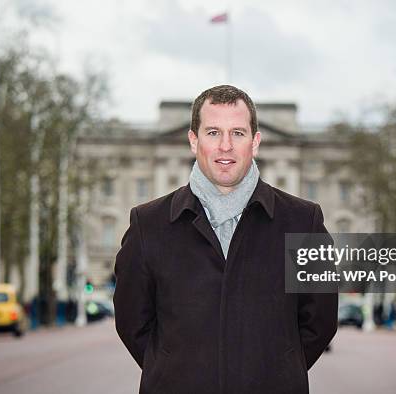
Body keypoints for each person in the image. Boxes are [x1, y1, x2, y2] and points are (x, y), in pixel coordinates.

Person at [113, 85, 338, 394]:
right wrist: (172, 368)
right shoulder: (147, 224)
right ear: (193, 140)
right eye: (213, 132)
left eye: (238, 133)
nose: (226, 146)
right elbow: (131, 321)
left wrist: (277, 369)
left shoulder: (305, 222)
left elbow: (320, 321)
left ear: (255, 142)